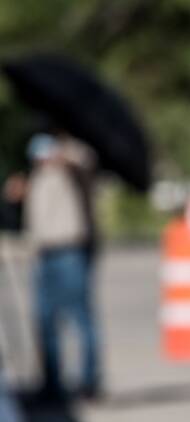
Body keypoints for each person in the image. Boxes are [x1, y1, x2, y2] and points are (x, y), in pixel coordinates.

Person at [6, 132, 102, 401]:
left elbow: (86, 159)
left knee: (80, 318)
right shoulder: (36, 178)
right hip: (42, 254)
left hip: (69, 251)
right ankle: (51, 385)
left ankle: (89, 381)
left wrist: (63, 151)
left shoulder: (71, 168)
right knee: (45, 321)